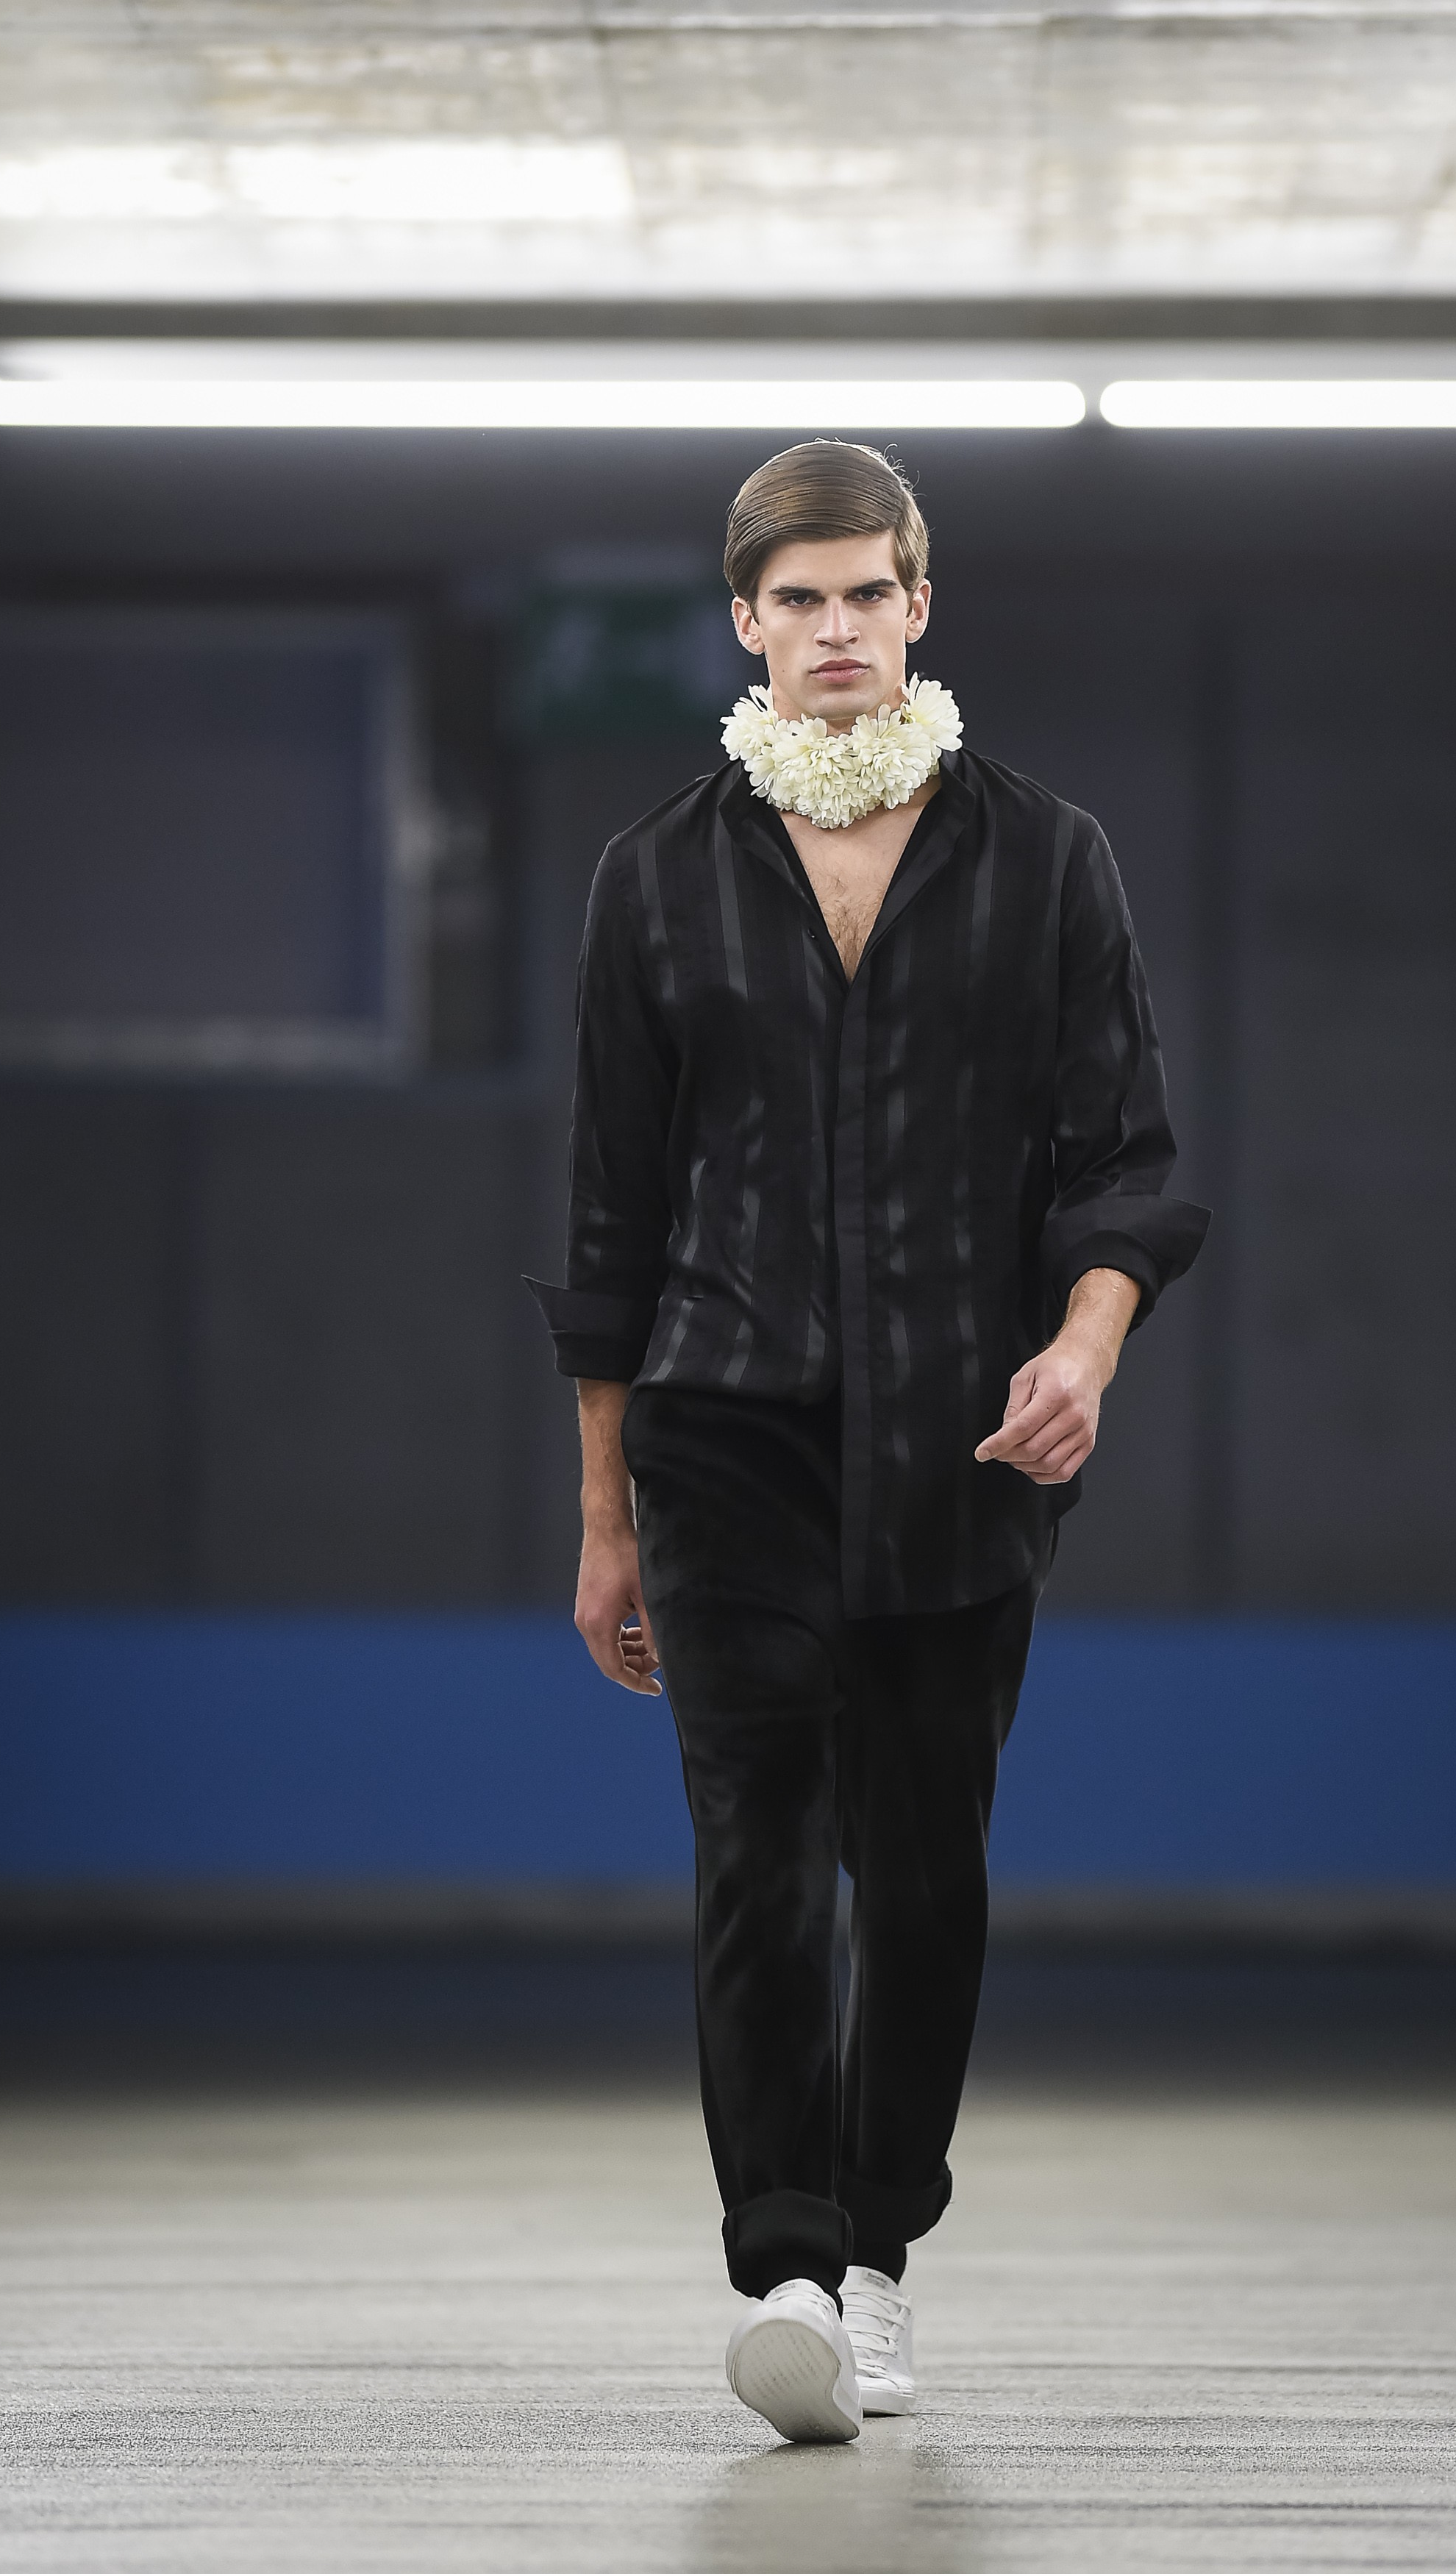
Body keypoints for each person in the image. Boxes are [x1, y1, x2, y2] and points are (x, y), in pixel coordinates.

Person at [532, 441, 1207, 2445]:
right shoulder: (657, 876)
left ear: (920, 605)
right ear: (747, 623)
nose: (834, 629)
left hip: (962, 1443)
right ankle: (791, 2267)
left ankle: (884, 2255)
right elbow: (610, 1216)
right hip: (721, 1432)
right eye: (796, 599)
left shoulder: (1046, 857)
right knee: (757, 1851)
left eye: (865, 593)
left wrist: (1086, 1346)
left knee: (919, 1875)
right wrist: (604, 1509)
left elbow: (1123, 1161)